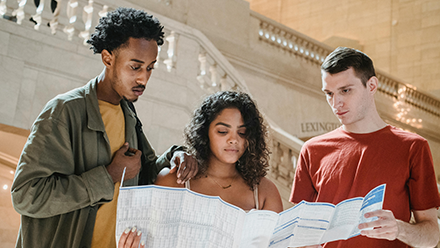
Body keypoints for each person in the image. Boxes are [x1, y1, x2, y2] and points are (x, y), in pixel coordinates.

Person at [11, 7, 198, 248]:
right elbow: (26, 195)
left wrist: (177, 155)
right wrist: (108, 174)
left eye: (150, 67)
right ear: (108, 58)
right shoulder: (64, 111)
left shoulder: (128, 112)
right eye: (135, 66)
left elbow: (145, 171)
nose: (144, 78)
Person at [290, 47, 440, 248]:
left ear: (371, 86)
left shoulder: (413, 147)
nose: (336, 103)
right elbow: (300, 231)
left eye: (345, 90)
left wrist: (398, 228)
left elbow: (431, 236)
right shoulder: (312, 150)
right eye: (329, 93)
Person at [119, 91, 284, 248]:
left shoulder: (264, 192)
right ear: (205, 133)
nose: (234, 140)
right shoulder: (172, 181)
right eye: (223, 131)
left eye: (242, 133)